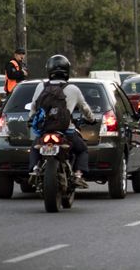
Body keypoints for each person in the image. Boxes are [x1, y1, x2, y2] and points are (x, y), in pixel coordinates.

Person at [28, 55, 94, 189]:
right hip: (66, 131)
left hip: (44, 131)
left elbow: (33, 107)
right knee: (82, 150)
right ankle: (78, 175)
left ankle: (35, 169)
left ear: (49, 70)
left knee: (35, 148)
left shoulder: (41, 86)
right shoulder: (73, 89)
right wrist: (91, 119)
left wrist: (31, 119)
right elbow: (85, 109)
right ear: (67, 71)